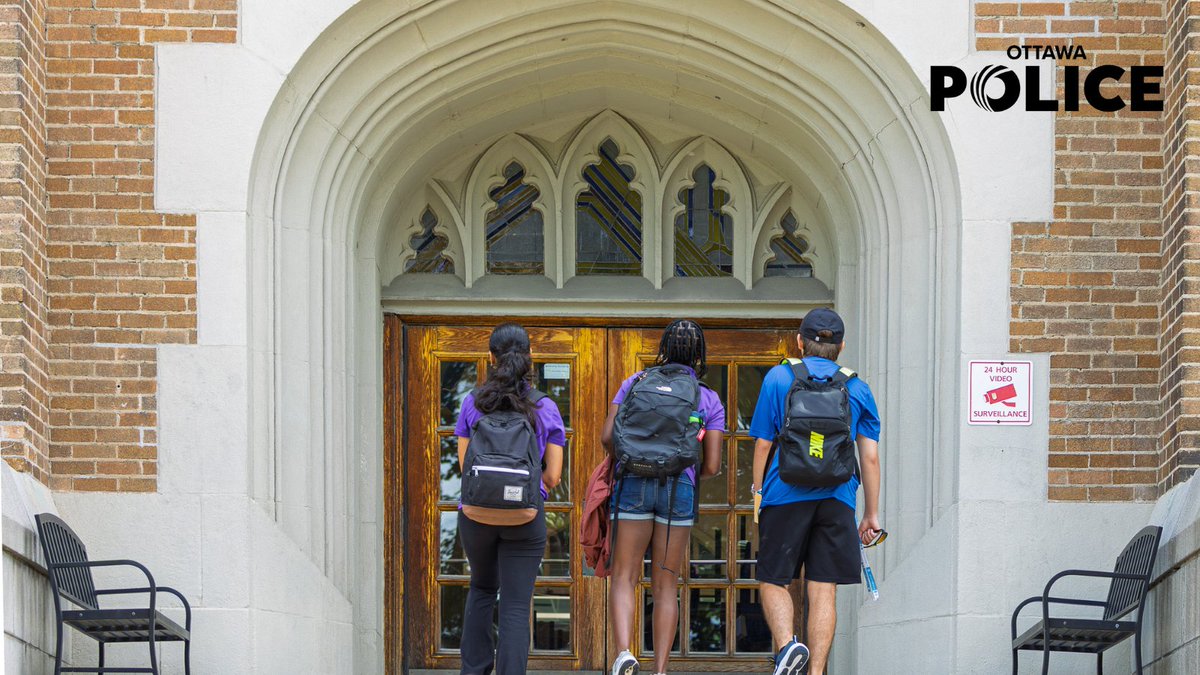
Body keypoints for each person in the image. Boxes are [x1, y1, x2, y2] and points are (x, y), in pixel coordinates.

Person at [749, 308, 882, 675]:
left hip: (784, 494)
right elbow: (868, 458)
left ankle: (788, 646)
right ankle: (817, 671)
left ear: (799, 342)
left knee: (774, 578)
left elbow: (762, 443)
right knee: (823, 589)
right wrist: (870, 513)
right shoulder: (857, 388)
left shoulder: (778, 378)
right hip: (837, 499)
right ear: (841, 345)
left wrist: (758, 492)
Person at [601, 320, 726, 675]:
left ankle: (624, 653)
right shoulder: (707, 397)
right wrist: (683, 471)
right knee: (666, 584)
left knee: (624, 575)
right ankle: (660, 671)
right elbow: (713, 465)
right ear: (699, 355)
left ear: (663, 348)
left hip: (633, 483)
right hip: (678, 489)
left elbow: (608, 436)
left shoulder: (635, 383)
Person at [453, 323, 566, 675]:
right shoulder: (544, 407)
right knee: (517, 605)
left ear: (491, 358)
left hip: (476, 515)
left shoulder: (473, 403)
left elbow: (463, 465)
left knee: (482, 589)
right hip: (524, 516)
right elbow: (552, 476)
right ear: (530, 358)